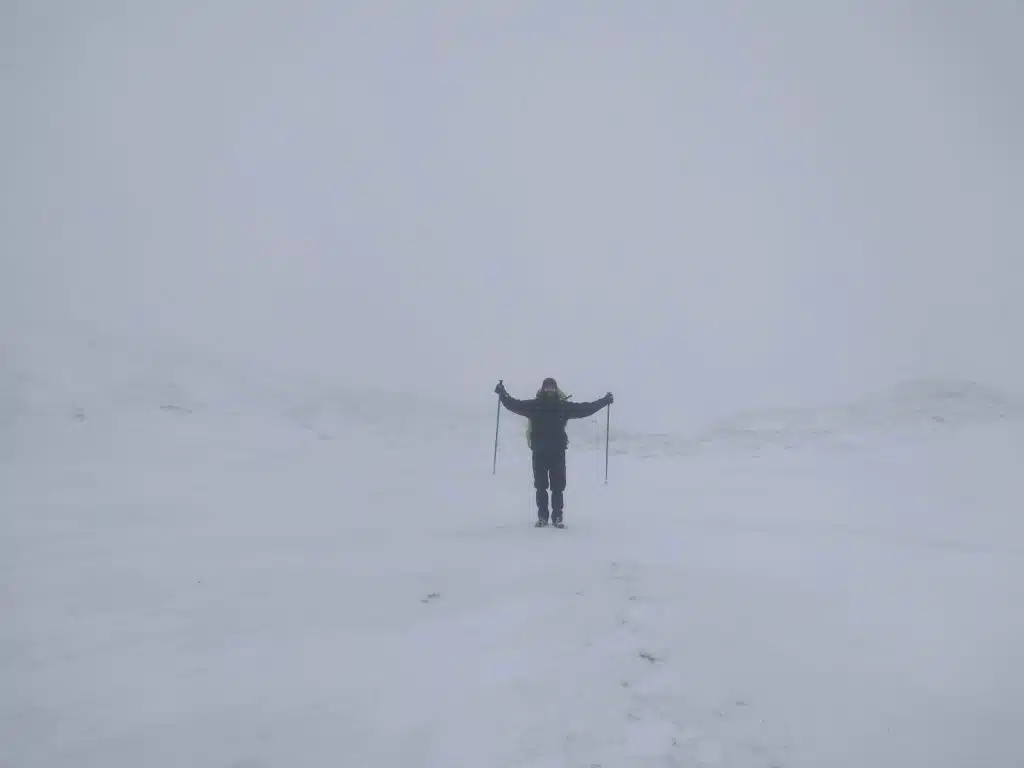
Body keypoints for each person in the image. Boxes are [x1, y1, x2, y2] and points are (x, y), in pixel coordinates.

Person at [494, 377, 613, 527]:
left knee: (558, 487)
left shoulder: (562, 406)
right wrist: (502, 394)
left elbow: (585, 409)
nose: (549, 390)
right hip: (539, 451)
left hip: (557, 452)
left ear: (556, 389)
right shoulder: (534, 406)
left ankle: (557, 517)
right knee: (541, 486)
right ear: (543, 389)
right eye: (547, 388)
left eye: (552, 388)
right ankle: (543, 517)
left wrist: (604, 401)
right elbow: (514, 404)